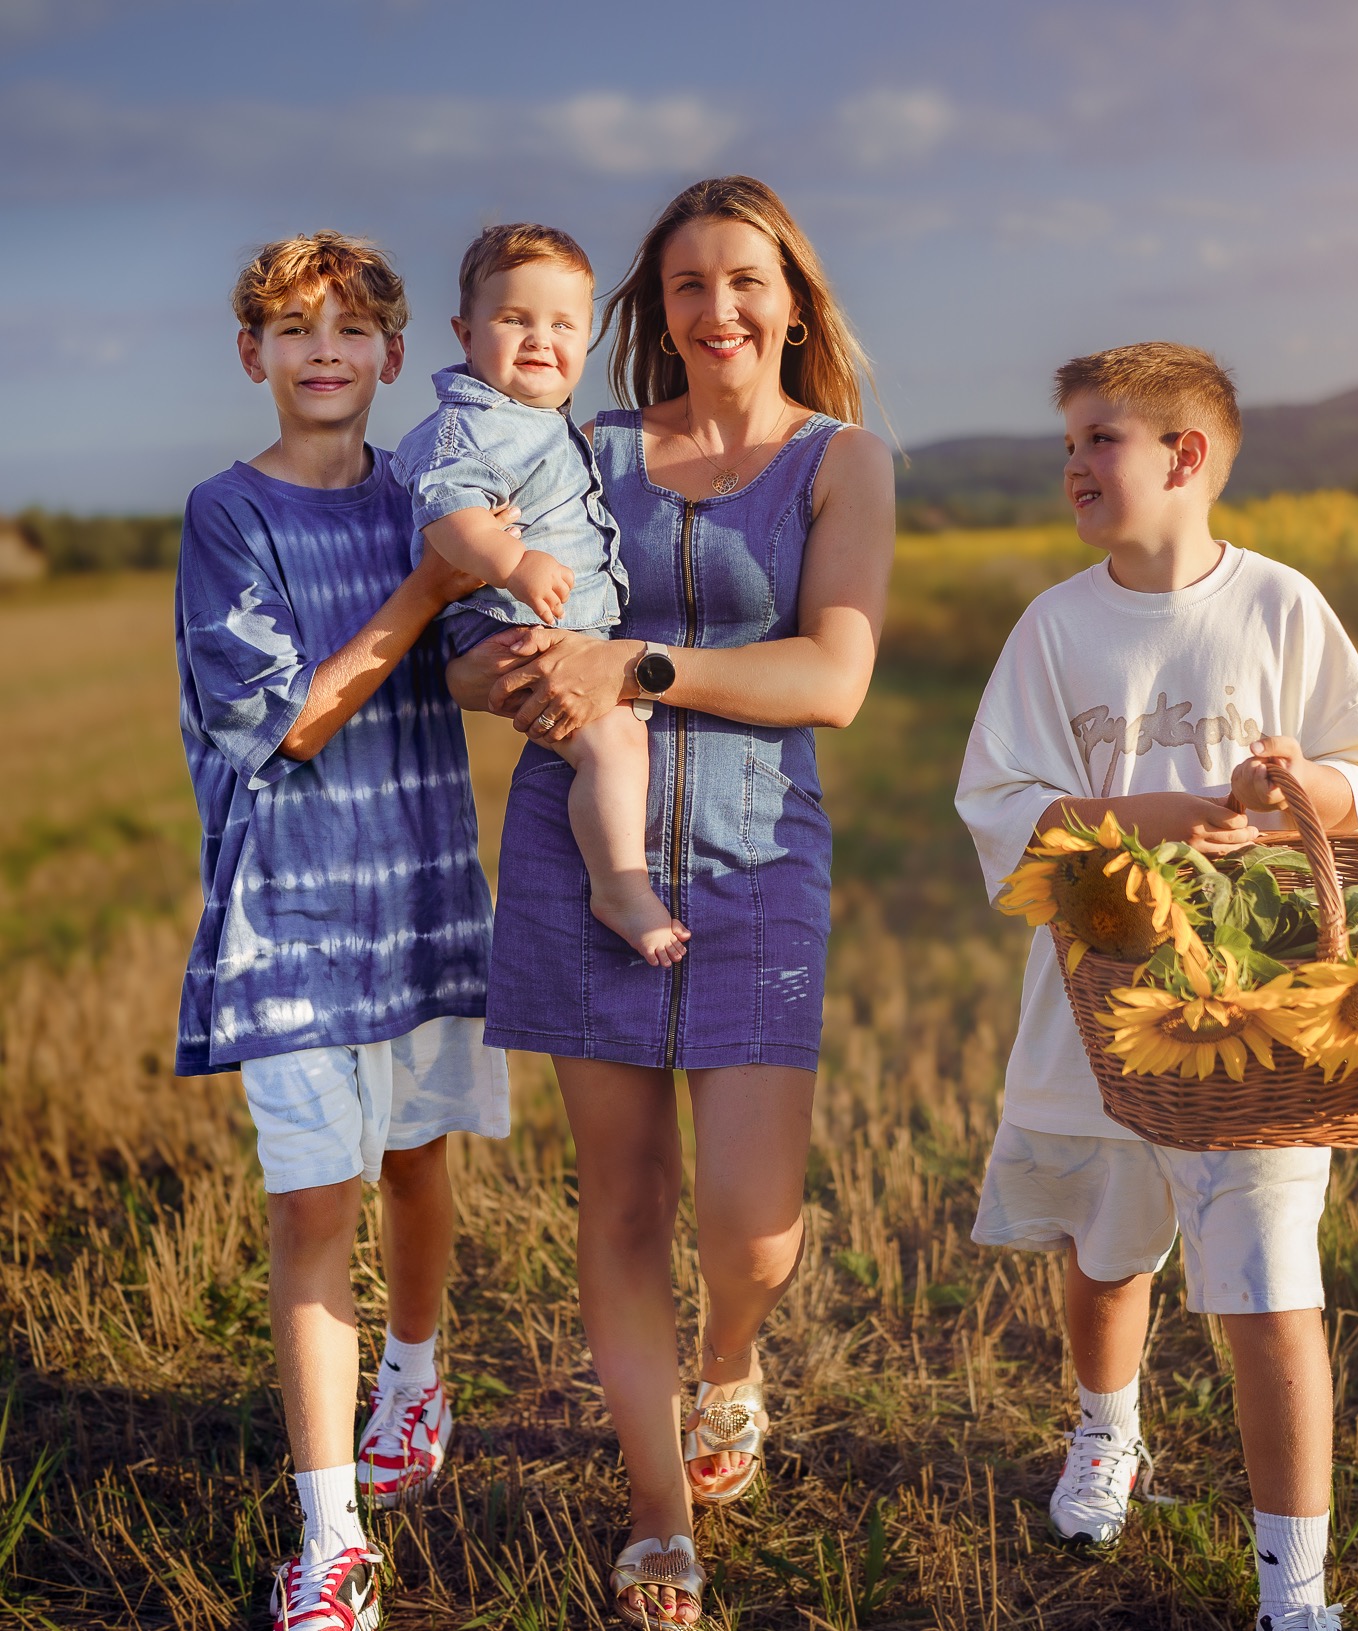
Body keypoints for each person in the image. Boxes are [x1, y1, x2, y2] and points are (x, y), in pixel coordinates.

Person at [446, 176, 894, 1627]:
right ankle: (655, 1513)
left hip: (760, 861)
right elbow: (469, 644)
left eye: (745, 281)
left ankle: (732, 1360)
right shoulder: (588, 446)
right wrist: (516, 670)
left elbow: (830, 676)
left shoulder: (839, 461)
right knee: (623, 1197)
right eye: (689, 285)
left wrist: (627, 663)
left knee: (751, 1225)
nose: (718, 310)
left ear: (792, 301)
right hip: (582, 861)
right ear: (658, 308)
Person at [954, 342, 1358, 1631]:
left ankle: (1296, 1591)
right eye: (1066, 445)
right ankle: (1106, 1432)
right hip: (1103, 1007)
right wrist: (1137, 812)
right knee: (1107, 1255)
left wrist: (1299, 787)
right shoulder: (1055, 627)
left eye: (1098, 440)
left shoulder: (1276, 606)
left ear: (1186, 456)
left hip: (1256, 1020)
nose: (1073, 467)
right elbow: (995, 804)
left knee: (1272, 1287)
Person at [173, 231, 513, 1631]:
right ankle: (333, 1538)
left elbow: (488, 668)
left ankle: (414, 1376)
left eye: (348, 329)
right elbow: (288, 723)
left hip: (424, 892)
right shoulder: (225, 514)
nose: (323, 350)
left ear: (389, 354)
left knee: (419, 1163)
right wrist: (434, 584)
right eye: (291, 329)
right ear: (251, 355)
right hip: (295, 914)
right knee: (313, 1205)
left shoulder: (424, 499)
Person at [393, 224, 685, 969]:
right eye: (513, 318)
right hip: (511, 624)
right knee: (614, 746)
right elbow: (451, 515)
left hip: (543, 629)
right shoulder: (472, 426)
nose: (538, 338)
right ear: (464, 332)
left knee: (615, 744)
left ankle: (620, 879)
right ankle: (619, 886)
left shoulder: (540, 424)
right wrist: (513, 562)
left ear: (588, 340)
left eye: (562, 324)